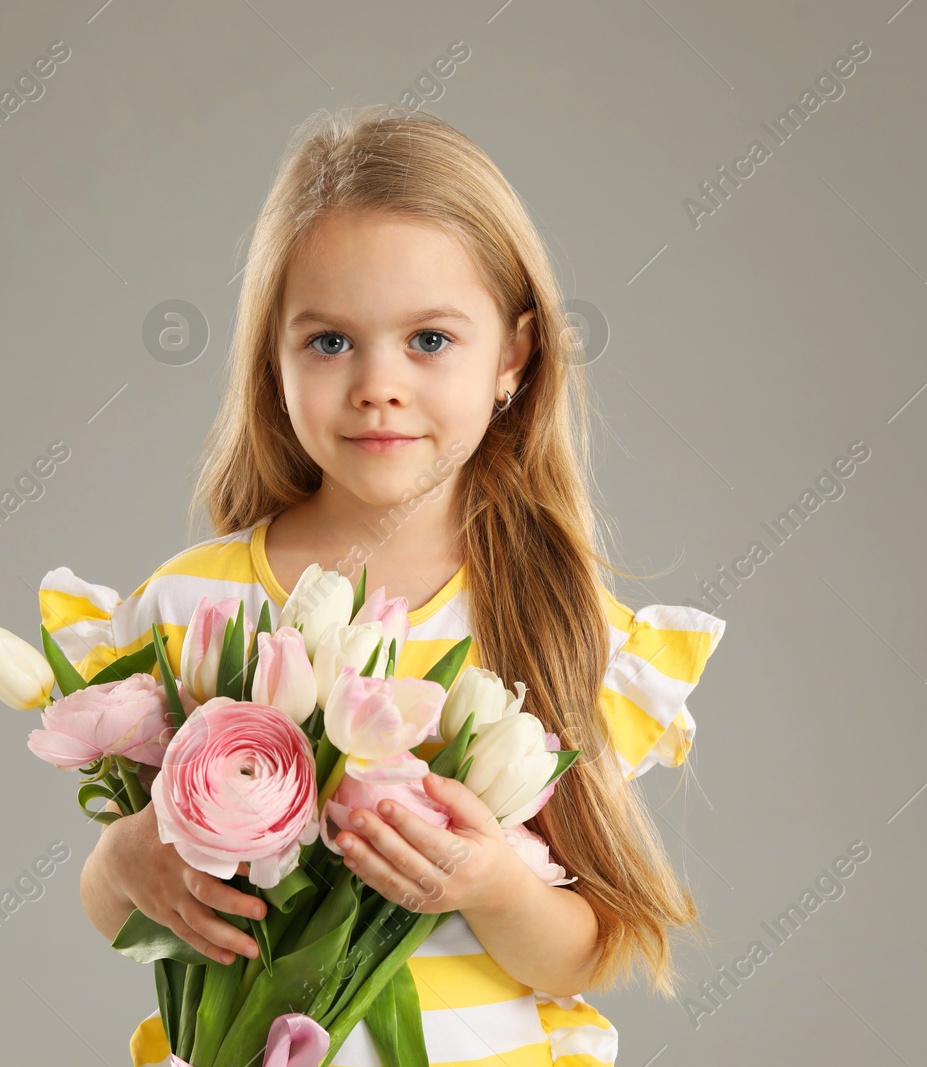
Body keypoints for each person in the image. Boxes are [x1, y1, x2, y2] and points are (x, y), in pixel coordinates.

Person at [72, 104, 727, 1067]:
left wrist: (493, 884)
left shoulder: (547, 613)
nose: (378, 383)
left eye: (428, 340)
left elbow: (583, 952)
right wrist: (118, 858)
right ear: (273, 359)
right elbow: (123, 904)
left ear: (514, 356)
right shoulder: (191, 605)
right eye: (330, 342)